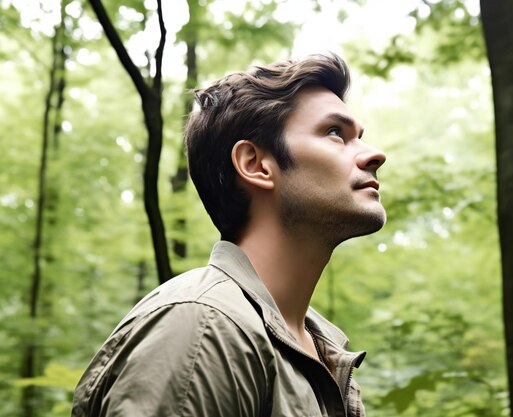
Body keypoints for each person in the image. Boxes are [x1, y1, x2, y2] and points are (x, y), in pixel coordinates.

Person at [72, 53, 387, 417]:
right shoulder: (202, 329)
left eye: (359, 137)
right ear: (255, 165)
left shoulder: (322, 354)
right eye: (335, 133)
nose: (374, 154)